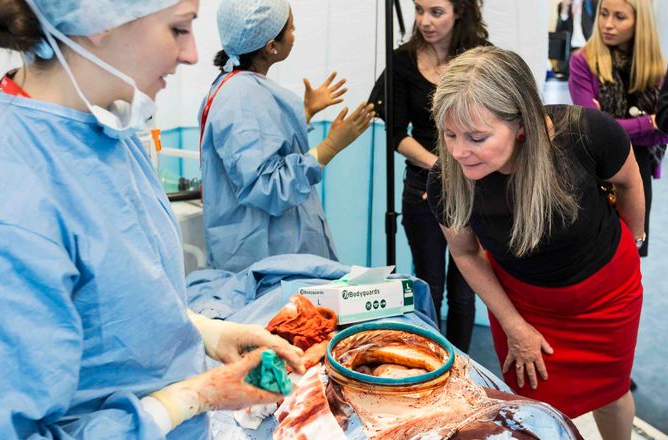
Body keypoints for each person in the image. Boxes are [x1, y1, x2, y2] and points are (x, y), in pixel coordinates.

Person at [0, 1, 305, 438]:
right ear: (100, 22)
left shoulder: (109, 130)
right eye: (178, 29)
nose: (191, 54)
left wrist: (211, 335)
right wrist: (192, 397)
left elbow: (119, 302)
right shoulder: (10, 206)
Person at [428, 46, 645, 440]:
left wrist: (633, 242)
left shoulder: (586, 133)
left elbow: (629, 182)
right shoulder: (447, 178)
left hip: (608, 297)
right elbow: (464, 252)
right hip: (522, 304)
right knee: (533, 406)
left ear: (521, 124)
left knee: (612, 393)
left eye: (477, 137)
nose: (459, 152)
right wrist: (514, 326)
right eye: (450, 134)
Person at [200, 0, 375, 273]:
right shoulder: (241, 95)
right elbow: (266, 185)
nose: (295, 34)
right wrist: (330, 147)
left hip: (271, 248)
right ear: (271, 46)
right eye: (291, 28)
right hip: (265, 256)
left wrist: (305, 112)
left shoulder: (234, 85)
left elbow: (259, 147)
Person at [371, 0, 488, 353]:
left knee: (466, 290)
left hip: (475, 188)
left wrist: (460, 168)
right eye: (419, 10)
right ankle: (434, 366)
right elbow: (395, 133)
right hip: (424, 187)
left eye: (436, 12)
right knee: (430, 285)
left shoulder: (482, 59)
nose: (424, 21)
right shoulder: (402, 61)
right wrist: (442, 169)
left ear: (459, 12)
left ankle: (464, 367)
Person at [568, 0, 667, 257]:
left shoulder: (657, 70)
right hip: (594, 168)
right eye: (604, 14)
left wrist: (609, 120)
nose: (607, 24)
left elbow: (665, 129)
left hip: (639, 169)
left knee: (631, 250)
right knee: (592, 254)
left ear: (639, 23)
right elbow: (592, 128)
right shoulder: (583, 63)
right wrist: (649, 122)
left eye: (620, 17)